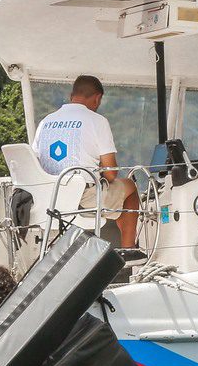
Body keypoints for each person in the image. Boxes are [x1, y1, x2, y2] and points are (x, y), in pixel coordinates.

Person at [32, 75, 138, 251]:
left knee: (115, 195)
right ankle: (129, 250)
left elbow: (36, 163)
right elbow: (111, 174)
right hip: (82, 199)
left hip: (49, 199)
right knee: (129, 187)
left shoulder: (45, 122)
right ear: (97, 98)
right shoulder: (97, 121)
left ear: (71, 95)